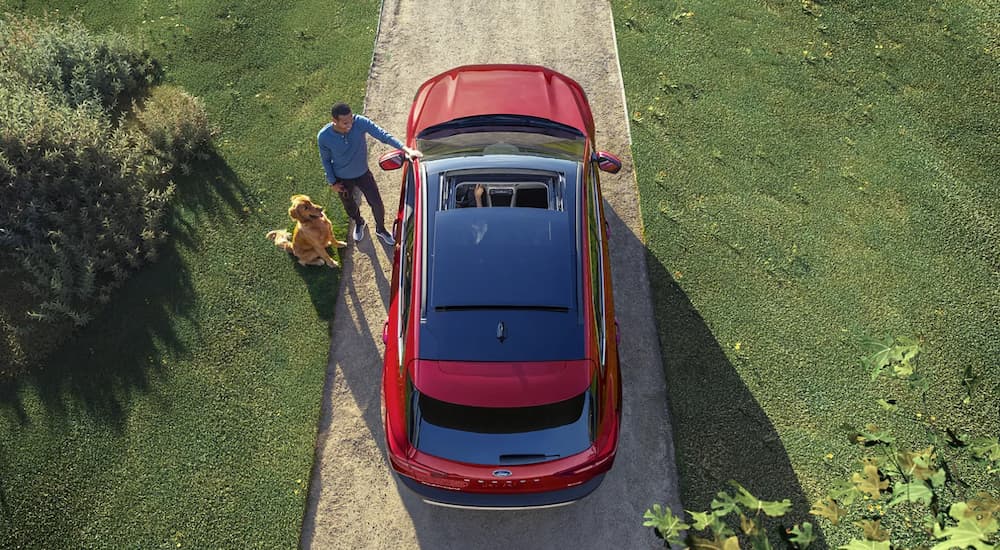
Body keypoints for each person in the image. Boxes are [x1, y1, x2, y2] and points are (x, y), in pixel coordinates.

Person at [317, 103, 421, 245]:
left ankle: (381, 229)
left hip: (363, 173)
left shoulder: (359, 122)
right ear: (334, 120)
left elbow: (383, 135)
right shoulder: (324, 137)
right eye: (345, 122)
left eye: (351, 119)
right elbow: (326, 161)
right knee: (349, 206)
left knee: (377, 203)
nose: (350, 124)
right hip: (342, 178)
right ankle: (359, 223)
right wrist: (333, 182)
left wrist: (406, 149)